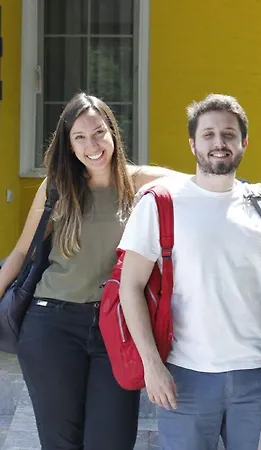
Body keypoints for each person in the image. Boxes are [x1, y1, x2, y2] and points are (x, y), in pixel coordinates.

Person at [118, 93, 261, 450]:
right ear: (192, 143)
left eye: (228, 134)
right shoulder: (161, 203)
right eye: (208, 134)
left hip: (256, 375)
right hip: (184, 376)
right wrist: (151, 364)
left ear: (244, 143)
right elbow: (129, 286)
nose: (219, 143)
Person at [0, 92, 184, 450]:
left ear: (113, 132)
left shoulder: (140, 183)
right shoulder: (57, 187)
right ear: (69, 145)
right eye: (80, 137)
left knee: (112, 440)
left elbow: (201, 185)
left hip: (117, 327)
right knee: (61, 442)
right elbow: (22, 251)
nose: (93, 145)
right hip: (52, 325)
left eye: (99, 132)